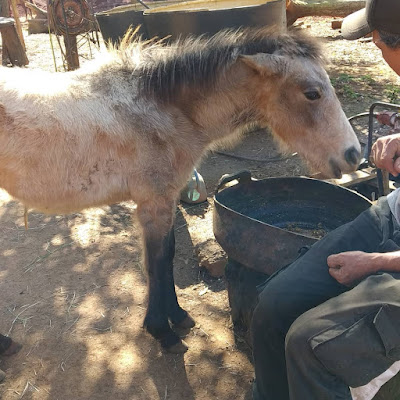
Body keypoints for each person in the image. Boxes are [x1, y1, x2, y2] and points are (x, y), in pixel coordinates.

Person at [251, 1, 400, 399]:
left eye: (379, 44)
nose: (376, 50)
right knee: (272, 304)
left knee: (309, 344)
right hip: (391, 218)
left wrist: (375, 263)